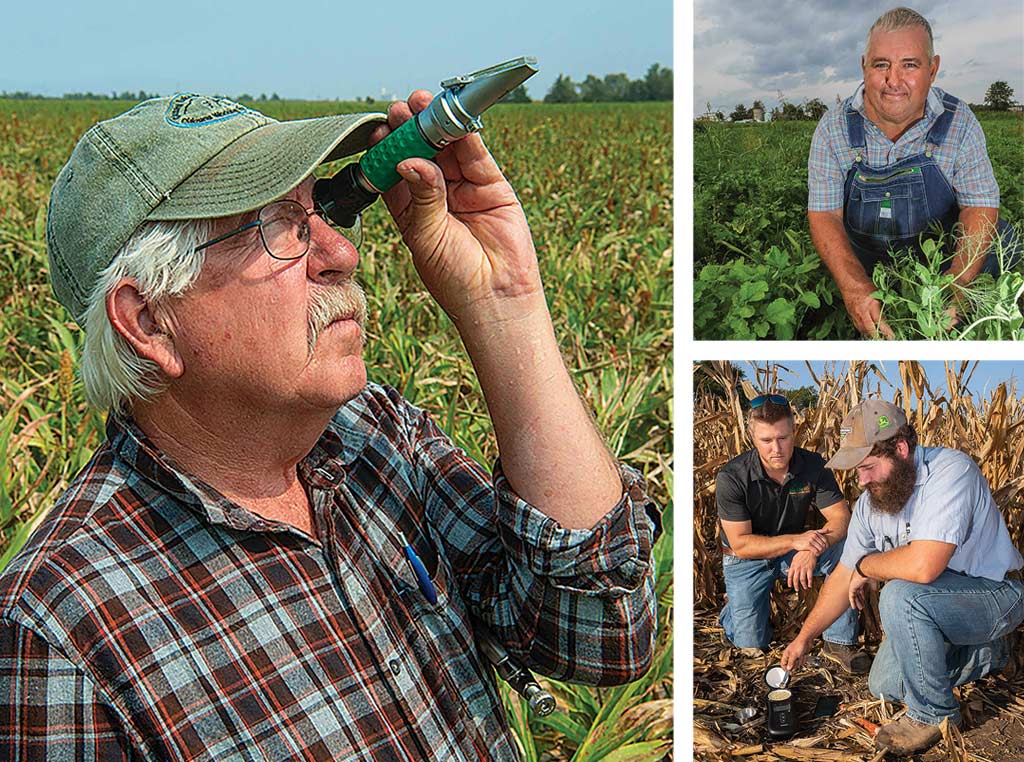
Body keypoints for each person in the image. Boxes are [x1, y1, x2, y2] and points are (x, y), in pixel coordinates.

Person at [0, 92, 660, 760]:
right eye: (279, 226)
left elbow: (603, 635)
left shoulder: (374, 433)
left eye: (324, 210)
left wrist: (505, 304)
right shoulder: (61, 630)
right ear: (147, 321)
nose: (342, 253)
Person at [781, 399, 1024, 755]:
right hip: (937, 605)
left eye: (868, 467)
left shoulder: (950, 471)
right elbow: (842, 576)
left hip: (994, 595)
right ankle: (989, 653)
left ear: (901, 448)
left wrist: (867, 566)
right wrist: (804, 639)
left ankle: (933, 714)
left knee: (899, 595)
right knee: (884, 686)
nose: (861, 480)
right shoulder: (870, 505)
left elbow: (923, 567)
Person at [807, 7, 1021, 337]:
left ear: (932, 70)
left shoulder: (958, 122)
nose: (893, 80)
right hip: (869, 262)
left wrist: (959, 282)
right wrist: (854, 287)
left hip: (940, 256)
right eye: (881, 65)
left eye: (909, 65)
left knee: (1002, 238)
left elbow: (979, 205)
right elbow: (825, 215)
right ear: (864, 67)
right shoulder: (834, 128)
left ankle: (961, 316)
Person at [716, 394, 868, 672]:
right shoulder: (732, 477)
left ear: (794, 431)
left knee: (847, 549)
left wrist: (812, 548)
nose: (777, 449)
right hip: (747, 559)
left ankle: (840, 642)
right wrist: (796, 541)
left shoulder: (813, 465)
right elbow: (741, 545)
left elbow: (841, 519)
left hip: (796, 549)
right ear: (752, 437)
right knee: (751, 645)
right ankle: (734, 614)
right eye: (766, 441)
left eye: (783, 438)